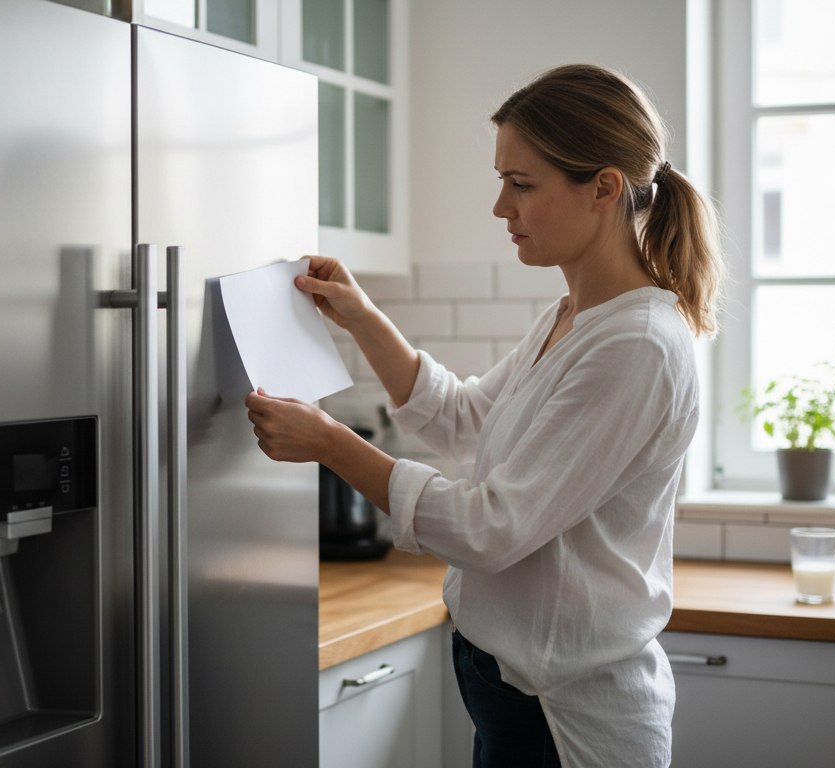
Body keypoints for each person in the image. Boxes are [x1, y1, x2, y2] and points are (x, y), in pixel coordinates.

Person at [245, 63, 723, 767]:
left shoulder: (637, 345)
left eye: (521, 184)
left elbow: (490, 528)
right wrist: (363, 317)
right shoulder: (574, 316)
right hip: (511, 690)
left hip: (566, 718)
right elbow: (463, 419)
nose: (502, 207)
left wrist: (331, 443)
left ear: (604, 189)